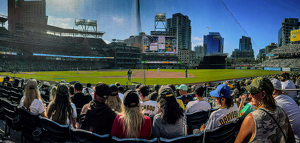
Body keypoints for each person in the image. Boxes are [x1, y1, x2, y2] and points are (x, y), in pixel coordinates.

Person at [235, 77, 296, 143]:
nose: (250, 96)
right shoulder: (282, 111)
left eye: (253, 92)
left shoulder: (252, 118)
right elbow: (291, 139)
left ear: (263, 94)